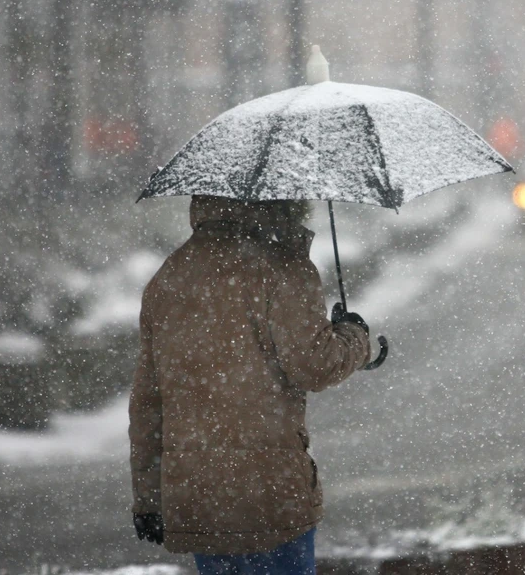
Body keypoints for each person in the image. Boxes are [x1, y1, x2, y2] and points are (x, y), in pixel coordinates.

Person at [129, 196, 371, 575]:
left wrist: (148, 498)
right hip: (270, 494)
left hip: (199, 496)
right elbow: (316, 365)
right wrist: (355, 335)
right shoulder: (283, 268)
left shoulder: (171, 275)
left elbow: (148, 401)